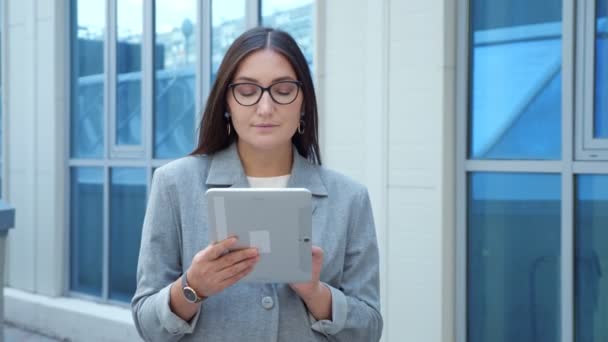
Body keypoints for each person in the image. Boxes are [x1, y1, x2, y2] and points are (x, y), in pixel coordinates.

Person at [131, 27, 382, 342]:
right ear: (227, 102)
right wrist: (192, 287)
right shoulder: (174, 184)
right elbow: (146, 324)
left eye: (284, 89)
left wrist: (316, 293)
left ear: (303, 102)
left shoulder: (350, 198)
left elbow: (369, 329)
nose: (265, 108)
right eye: (247, 91)